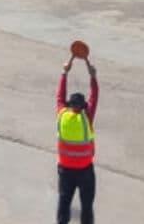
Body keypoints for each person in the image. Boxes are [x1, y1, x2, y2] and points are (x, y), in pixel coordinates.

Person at [57, 55, 99, 224]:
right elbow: (94, 96)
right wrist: (93, 75)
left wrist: (64, 72)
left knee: (64, 202)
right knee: (87, 206)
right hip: (84, 171)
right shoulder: (86, 117)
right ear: (83, 107)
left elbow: (59, 96)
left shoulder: (61, 115)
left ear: (69, 105)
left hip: (65, 171)